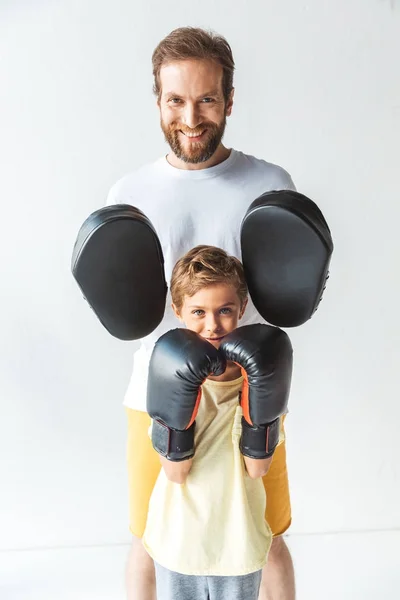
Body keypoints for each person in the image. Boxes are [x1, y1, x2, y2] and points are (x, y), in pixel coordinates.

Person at [106, 26, 296, 600]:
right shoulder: (130, 193)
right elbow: (124, 305)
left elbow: (286, 294)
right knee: (146, 534)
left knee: (268, 535)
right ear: (160, 102)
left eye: (207, 99)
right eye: (176, 100)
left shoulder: (268, 185)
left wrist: (264, 383)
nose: (191, 116)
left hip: (248, 391)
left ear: (229, 101)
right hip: (156, 394)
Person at [141, 244, 290, 600]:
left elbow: (257, 469)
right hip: (179, 539)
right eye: (198, 312)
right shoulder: (166, 371)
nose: (213, 324)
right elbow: (175, 472)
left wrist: (260, 400)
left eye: (225, 310)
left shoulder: (259, 375)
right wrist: (181, 391)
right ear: (177, 311)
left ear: (241, 308)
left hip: (237, 539)